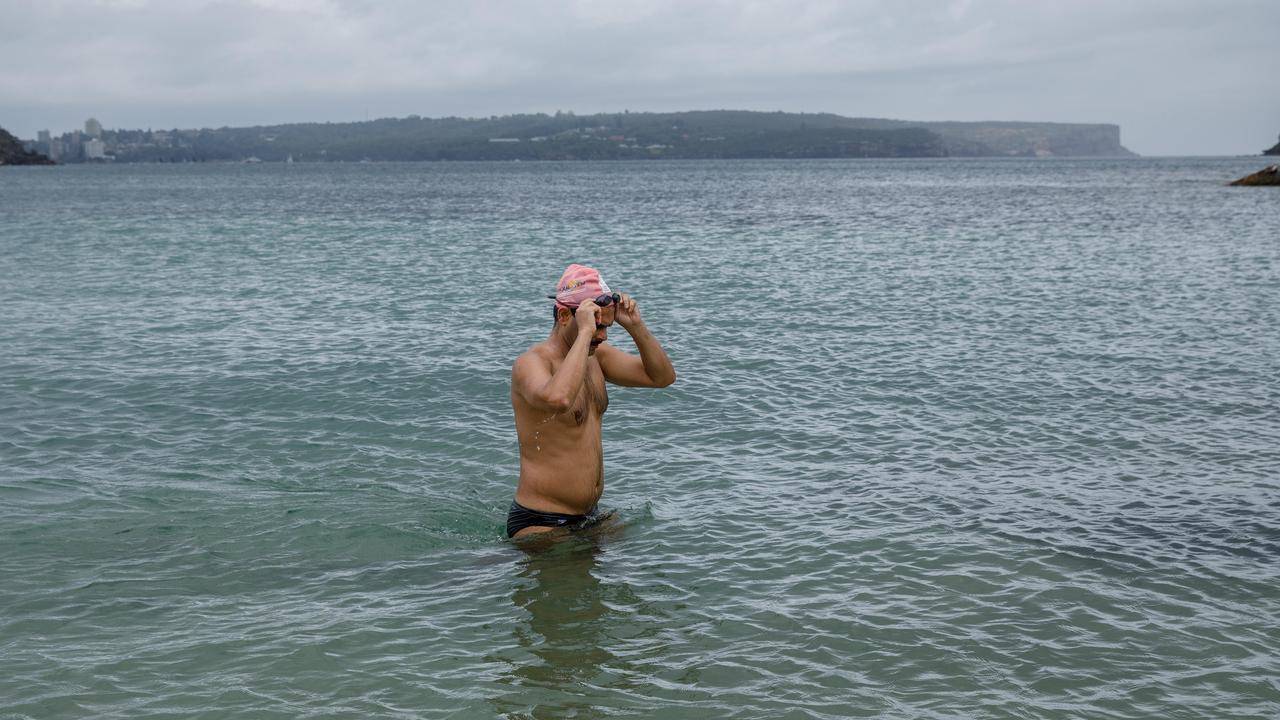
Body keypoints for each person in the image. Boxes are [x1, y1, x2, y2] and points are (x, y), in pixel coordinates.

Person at [507, 264, 676, 539]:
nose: (603, 336)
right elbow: (559, 398)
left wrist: (635, 326)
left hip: (590, 516)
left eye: (607, 327)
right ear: (564, 315)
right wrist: (585, 332)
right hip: (541, 522)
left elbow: (662, 378)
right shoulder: (531, 364)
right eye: (596, 326)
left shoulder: (597, 357)